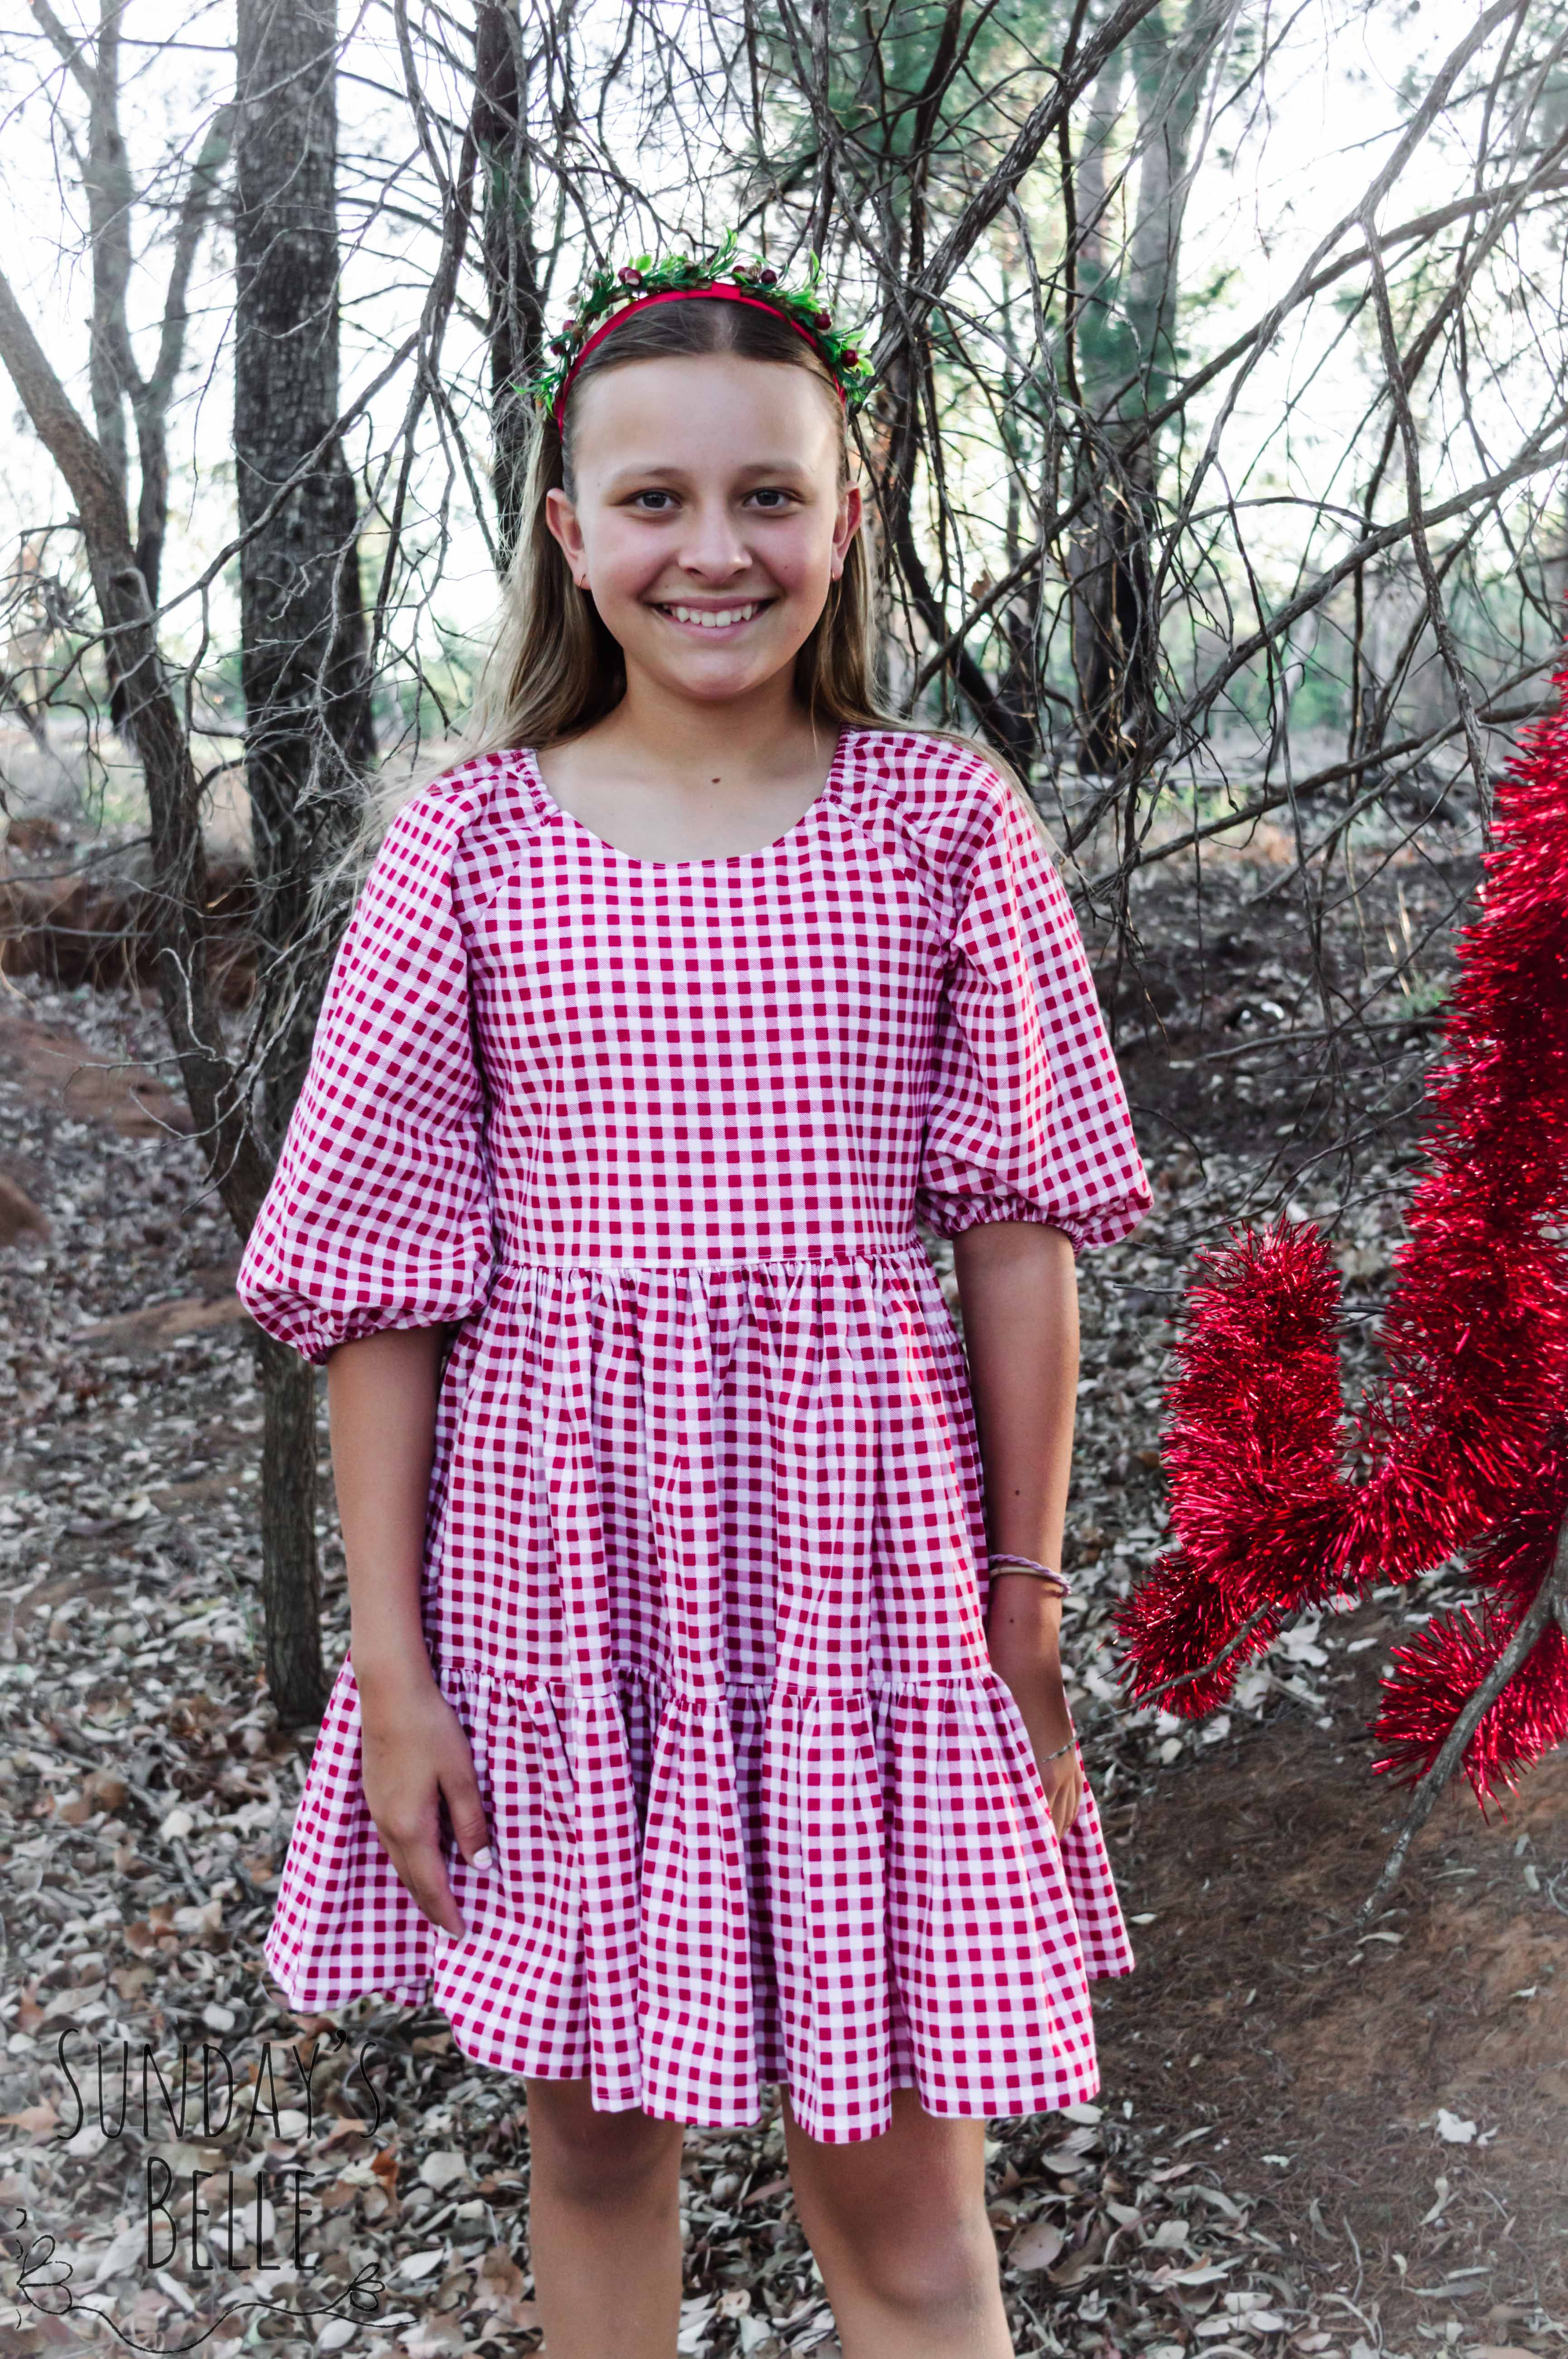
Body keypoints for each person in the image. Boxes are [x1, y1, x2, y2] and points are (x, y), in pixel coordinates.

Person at [238, 238, 1151, 2359]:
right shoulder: (470, 842)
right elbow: (388, 1291)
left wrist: (1017, 1614)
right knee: (595, 2142)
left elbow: (1016, 1238)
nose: (711, 549)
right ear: (572, 531)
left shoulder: (940, 824)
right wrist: (394, 1671)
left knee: (909, 2204)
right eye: (653, 500)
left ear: (853, 512)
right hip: (564, 1585)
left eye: (768, 495)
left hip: (863, 1581)